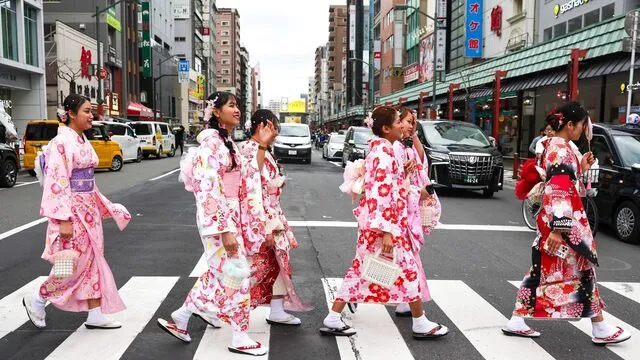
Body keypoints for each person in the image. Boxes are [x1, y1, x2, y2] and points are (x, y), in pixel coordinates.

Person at [503, 101, 631, 345]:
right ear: (570, 125)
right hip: (563, 224)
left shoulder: (555, 145)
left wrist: (580, 167)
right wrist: (559, 229)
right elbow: (560, 189)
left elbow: (561, 182)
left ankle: (518, 319)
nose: (584, 129)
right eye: (582, 124)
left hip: (555, 221)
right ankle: (600, 327)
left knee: (541, 269)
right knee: (581, 269)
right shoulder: (562, 150)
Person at [157, 92, 274, 356]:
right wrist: (225, 230)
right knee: (237, 275)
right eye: (231, 105)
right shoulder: (210, 146)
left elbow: (248, 176)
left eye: (237, 105)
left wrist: (263, 147)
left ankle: (182, 317)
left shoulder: (226, 142)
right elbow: (208, 191)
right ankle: (240, 335)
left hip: (229, 216)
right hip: (220, 221)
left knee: (220, 274)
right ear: (216, 112)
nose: (237, 110)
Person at [320, 106, 448, 339]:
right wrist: (387, 231)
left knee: (363, 270)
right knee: (406, 270)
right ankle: (419, 322)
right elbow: (381, 195)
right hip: (385, 226)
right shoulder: (382, 154)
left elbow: (391, 191)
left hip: (383, 224)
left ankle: (334, 317)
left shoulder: (385, 151)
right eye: (399, 121)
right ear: (387, 129)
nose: (403, 125)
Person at [23, 94, 131, 330]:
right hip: (71, 213)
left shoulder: (80, 139)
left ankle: (94, 312)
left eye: (91, 111)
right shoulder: (61, 143)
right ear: (71, 114)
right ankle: (38, 298)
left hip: (88, 211)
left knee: (92, 259)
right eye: (86, 111)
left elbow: (89, 183)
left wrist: (106, 206)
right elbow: (57, 182)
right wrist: (63, 219)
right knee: (70, 264)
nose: (91, 116)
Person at [240, 109, 313, 326]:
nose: (276, 132)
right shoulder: (250, 149)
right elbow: (253, 186)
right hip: (262, 215)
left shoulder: (261, 149)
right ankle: (211, 305)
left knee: (278, 262)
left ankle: (277, 308)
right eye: (273, 126)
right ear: (261, 126)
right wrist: (265, 225)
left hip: (271, 213)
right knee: (254, 267)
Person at [390, 108, 444, 323]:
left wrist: (413, 137)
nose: (411, 126)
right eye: (407, 121)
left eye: (413, 122)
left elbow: (421, 163)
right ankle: (351, 295)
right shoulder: (393, 147)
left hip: (409, 204)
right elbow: (394, 180)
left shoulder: (406, 144)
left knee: (404, 258)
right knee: (402, 259)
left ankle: (406, 302)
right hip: (402, 206)